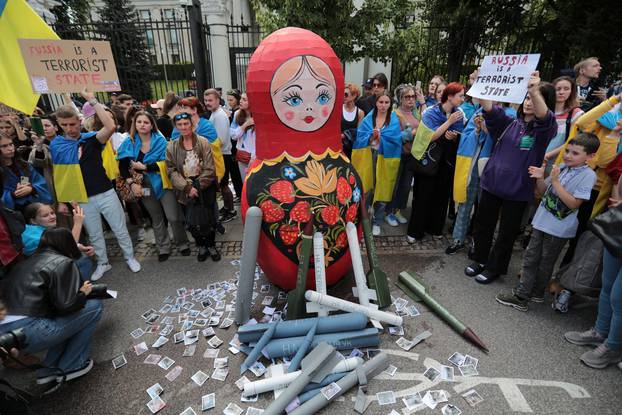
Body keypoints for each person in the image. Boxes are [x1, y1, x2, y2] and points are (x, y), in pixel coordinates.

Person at [465, 71, 557, 284]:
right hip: (492, 184)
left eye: (534, 99)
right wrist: (480, 83)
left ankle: (494, 268)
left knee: (506, 233)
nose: (529, 102)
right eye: (526, 97)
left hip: (517, 191)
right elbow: (488, 108)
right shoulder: (508, 122)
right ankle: (479, 259)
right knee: (483, 225)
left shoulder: (545, 130)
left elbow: (544, 117)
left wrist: (534, 90)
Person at [496, 133, 599, 310]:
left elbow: (574, 203)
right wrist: (539, 177)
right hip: (542, 222)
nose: (567, 155)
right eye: (567, 151)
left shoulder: (588, 175)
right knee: (532, 258)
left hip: (558, 228)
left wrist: (557, 181)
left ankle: (523, 295)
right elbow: (542, 192)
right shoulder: (563, 168)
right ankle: (532, 292)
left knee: (544, 261)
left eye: (575, 153)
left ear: (590, 156)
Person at [51, 88, 140, 281]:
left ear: (79, 121)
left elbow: (110, 126)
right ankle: (102, 262)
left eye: (73, 124)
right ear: (58, 124)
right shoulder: (57, 145)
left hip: (106, 191)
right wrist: (63, 201)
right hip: (82, 198)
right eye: (64, 125)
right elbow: (60, 176)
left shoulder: (90, 139)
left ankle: (129, 256)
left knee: (119, 228)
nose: (69, 128)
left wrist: (92, 101)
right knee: (94, 233)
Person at [0, 228, 103, 386]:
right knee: (95, 306)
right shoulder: (63, 261)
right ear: (68, 244)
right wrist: (83, 293)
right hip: (31, 329)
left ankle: (48, 370)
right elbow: (67, 306)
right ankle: (73, 365)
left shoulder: (25, 263)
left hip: (8, 336)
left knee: (63, 320)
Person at [117, 111, 191, 262]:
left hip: (163, 183)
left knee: (173, 216)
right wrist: (131, 184)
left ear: (152, 125)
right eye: (139, 122)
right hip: (143, 186)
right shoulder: (128, 142)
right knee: (155, 217)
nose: (142, 125)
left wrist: (145, 167)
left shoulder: (161, 142)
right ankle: (163, 246)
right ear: (135, 124)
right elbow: (123, 167)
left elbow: (168, 164)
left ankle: (182, 243)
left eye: (146, 122)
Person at [563, 183, 622, 368]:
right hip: (618, 228)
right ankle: (600, 332)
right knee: (607, 285)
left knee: (619, 297)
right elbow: (618, 180)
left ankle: (613, 347)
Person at [407, 82, 465, 243]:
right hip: (428, 160)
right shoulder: (430, 112)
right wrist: (448, 123)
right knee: (423, 196)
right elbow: (429, 136)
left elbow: (462, 135)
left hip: (446, 161)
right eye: (460, 96)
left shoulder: (459, 113)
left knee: (441, 196)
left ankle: (434, 227)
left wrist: (454, 136)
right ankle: (415, 231)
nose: (463, 99)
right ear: (450, 96)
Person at [166, 112, 221, 261]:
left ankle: (211, 245)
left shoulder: (203, 142)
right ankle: (201, 245)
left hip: (205, 186)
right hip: (185, 189)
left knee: (208, 219)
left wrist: (198, 185)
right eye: (180, 125)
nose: (183, 127)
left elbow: (210, 168)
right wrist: (187, 188)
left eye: (186, 123)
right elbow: (171, 170)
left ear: (192, 124)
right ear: (176, 127)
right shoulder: (172, 146)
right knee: (191, 221)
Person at [352, 92, 402, 236]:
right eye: (381, 102)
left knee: (383, 188)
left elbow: (396, 139)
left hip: (386, 158)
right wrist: (371, 136)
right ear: (376, 103)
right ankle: (363, 220)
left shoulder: (393, 119)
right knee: (367, 189)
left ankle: (377, 221)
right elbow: (360, 137)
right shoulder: (369, 118)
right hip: (369, 156)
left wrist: (381, 138)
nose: (383, 105)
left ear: (390, 104)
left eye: (386, 102)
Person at [21, 202, 95, 280]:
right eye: (45, 215)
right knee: (82, 260)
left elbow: (58, 244)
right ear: (33, 221)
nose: (52, 217)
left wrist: (79, 246)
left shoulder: (36, 229)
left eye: (52, 213)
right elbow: (67, 248)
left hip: (45, 265)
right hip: (40, 273)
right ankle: (79, 289)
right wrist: (78, 223)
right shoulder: (33, 236)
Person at [387, 84, 420, 226]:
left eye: (413, 96)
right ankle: (389, 212)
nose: (411, 100)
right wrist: (410, 133)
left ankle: (398, 210)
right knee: (395, 184)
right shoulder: (395, 114)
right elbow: (393, 136)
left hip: (411, 155)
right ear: (400, 99)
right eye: (407, 97)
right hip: (398, 154)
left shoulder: (414, 113)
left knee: (406, 186)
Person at [204, 89, 237, 222]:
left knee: (223, 185)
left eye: (210, 100)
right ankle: (227, 207)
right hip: (219, 153)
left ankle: (231, 210)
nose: (207, 103)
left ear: (218, 100)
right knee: (222, 185)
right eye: (206, 100)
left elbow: (222, 139)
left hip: (223, 154)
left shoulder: (220, 116)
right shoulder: (215, 114)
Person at [0, 133, 52, 211]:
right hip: (12, 213)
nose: (10, 148)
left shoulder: (24, 165)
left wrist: (31, 189)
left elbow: (40, 182)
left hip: (33, 209)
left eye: (11, 144)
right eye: (4, 146)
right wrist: (13, 194)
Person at [543, 76, 584, 171]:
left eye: (566, 89)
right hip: (537, 157)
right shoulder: (543, 111)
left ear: (571, 91)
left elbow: (572, 141)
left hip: (558, 162)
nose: (561, 92)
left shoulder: (576, 113)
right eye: (558, 89)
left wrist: (547, 155)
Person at [229, 92, 256, 181]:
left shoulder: (258, 116)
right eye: (241, 99)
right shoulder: (237, 114)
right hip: (241, 155)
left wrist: (253, 157)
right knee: (244, 182)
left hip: (254, 157)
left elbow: (260, 140)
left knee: (253, 182)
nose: (240, 101)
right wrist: (245, 125)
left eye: (244, 100)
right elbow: (233, 135)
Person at [341, 83, 365, 158]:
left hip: (351, 147)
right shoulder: (338, 109)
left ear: (354, 96)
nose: (343, 97)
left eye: (345, 94)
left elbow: (359, 132)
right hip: (339, 146)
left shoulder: (360, 112)